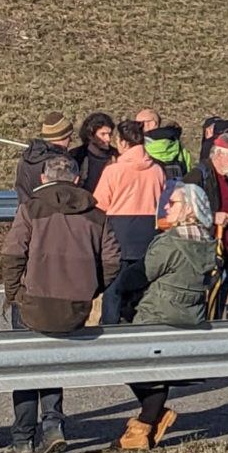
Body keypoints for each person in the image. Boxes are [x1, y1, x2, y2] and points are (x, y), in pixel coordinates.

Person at [1, 155, 121, 453]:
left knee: (26, 367)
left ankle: (22, 439)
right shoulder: (97, 214)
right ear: (77, 180)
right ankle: (53, 426)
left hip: (32, 303)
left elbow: (12, 254)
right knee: (54, 363)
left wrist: (14, 292)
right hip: (74, 307)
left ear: (43, 178)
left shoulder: (30, 208)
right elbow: (111, 262)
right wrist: (91, 290)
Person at [115, 183, 217, 450]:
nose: (167, 207)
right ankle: (148, 422)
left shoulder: (170, 242)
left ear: (189, 209)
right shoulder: (205, 241)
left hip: (156, 314)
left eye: (173, 202)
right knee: (155, 370)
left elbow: (139, 274)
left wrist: (121, 287)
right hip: (190, 314)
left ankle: (147, 421)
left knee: (126, 364)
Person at [93, 120, 166, 325]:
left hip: (119, 233)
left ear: (123, 143)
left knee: (114, 289)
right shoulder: (157, 170)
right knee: (143, 286)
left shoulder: (114, 171)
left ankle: (111, 330)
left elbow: (100, 205)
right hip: (148, 235)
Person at [183, 134, 228, 317]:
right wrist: (212, 217)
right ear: (219, 154)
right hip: (206, 254)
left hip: (225, 252)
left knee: (218, 304)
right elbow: (183, 211)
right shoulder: (197, 176)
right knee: (204, 305)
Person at [14, 112, 73, 201]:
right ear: (63, 136)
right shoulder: (60, 162)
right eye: (69, 136)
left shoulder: (26, 158)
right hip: (50, 213)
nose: (71, 140)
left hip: (26, 212)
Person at [138, 111, 193, 180]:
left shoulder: (139, 150)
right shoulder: (181, 150)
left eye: (139, 124)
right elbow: (188, 176)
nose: (136, 127)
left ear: (152, 124)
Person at [70, 113, 115, 192]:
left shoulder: (117, 156)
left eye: (109, 134)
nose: (108, 139)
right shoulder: (76, 156)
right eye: (103, 134)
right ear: (90, 135)